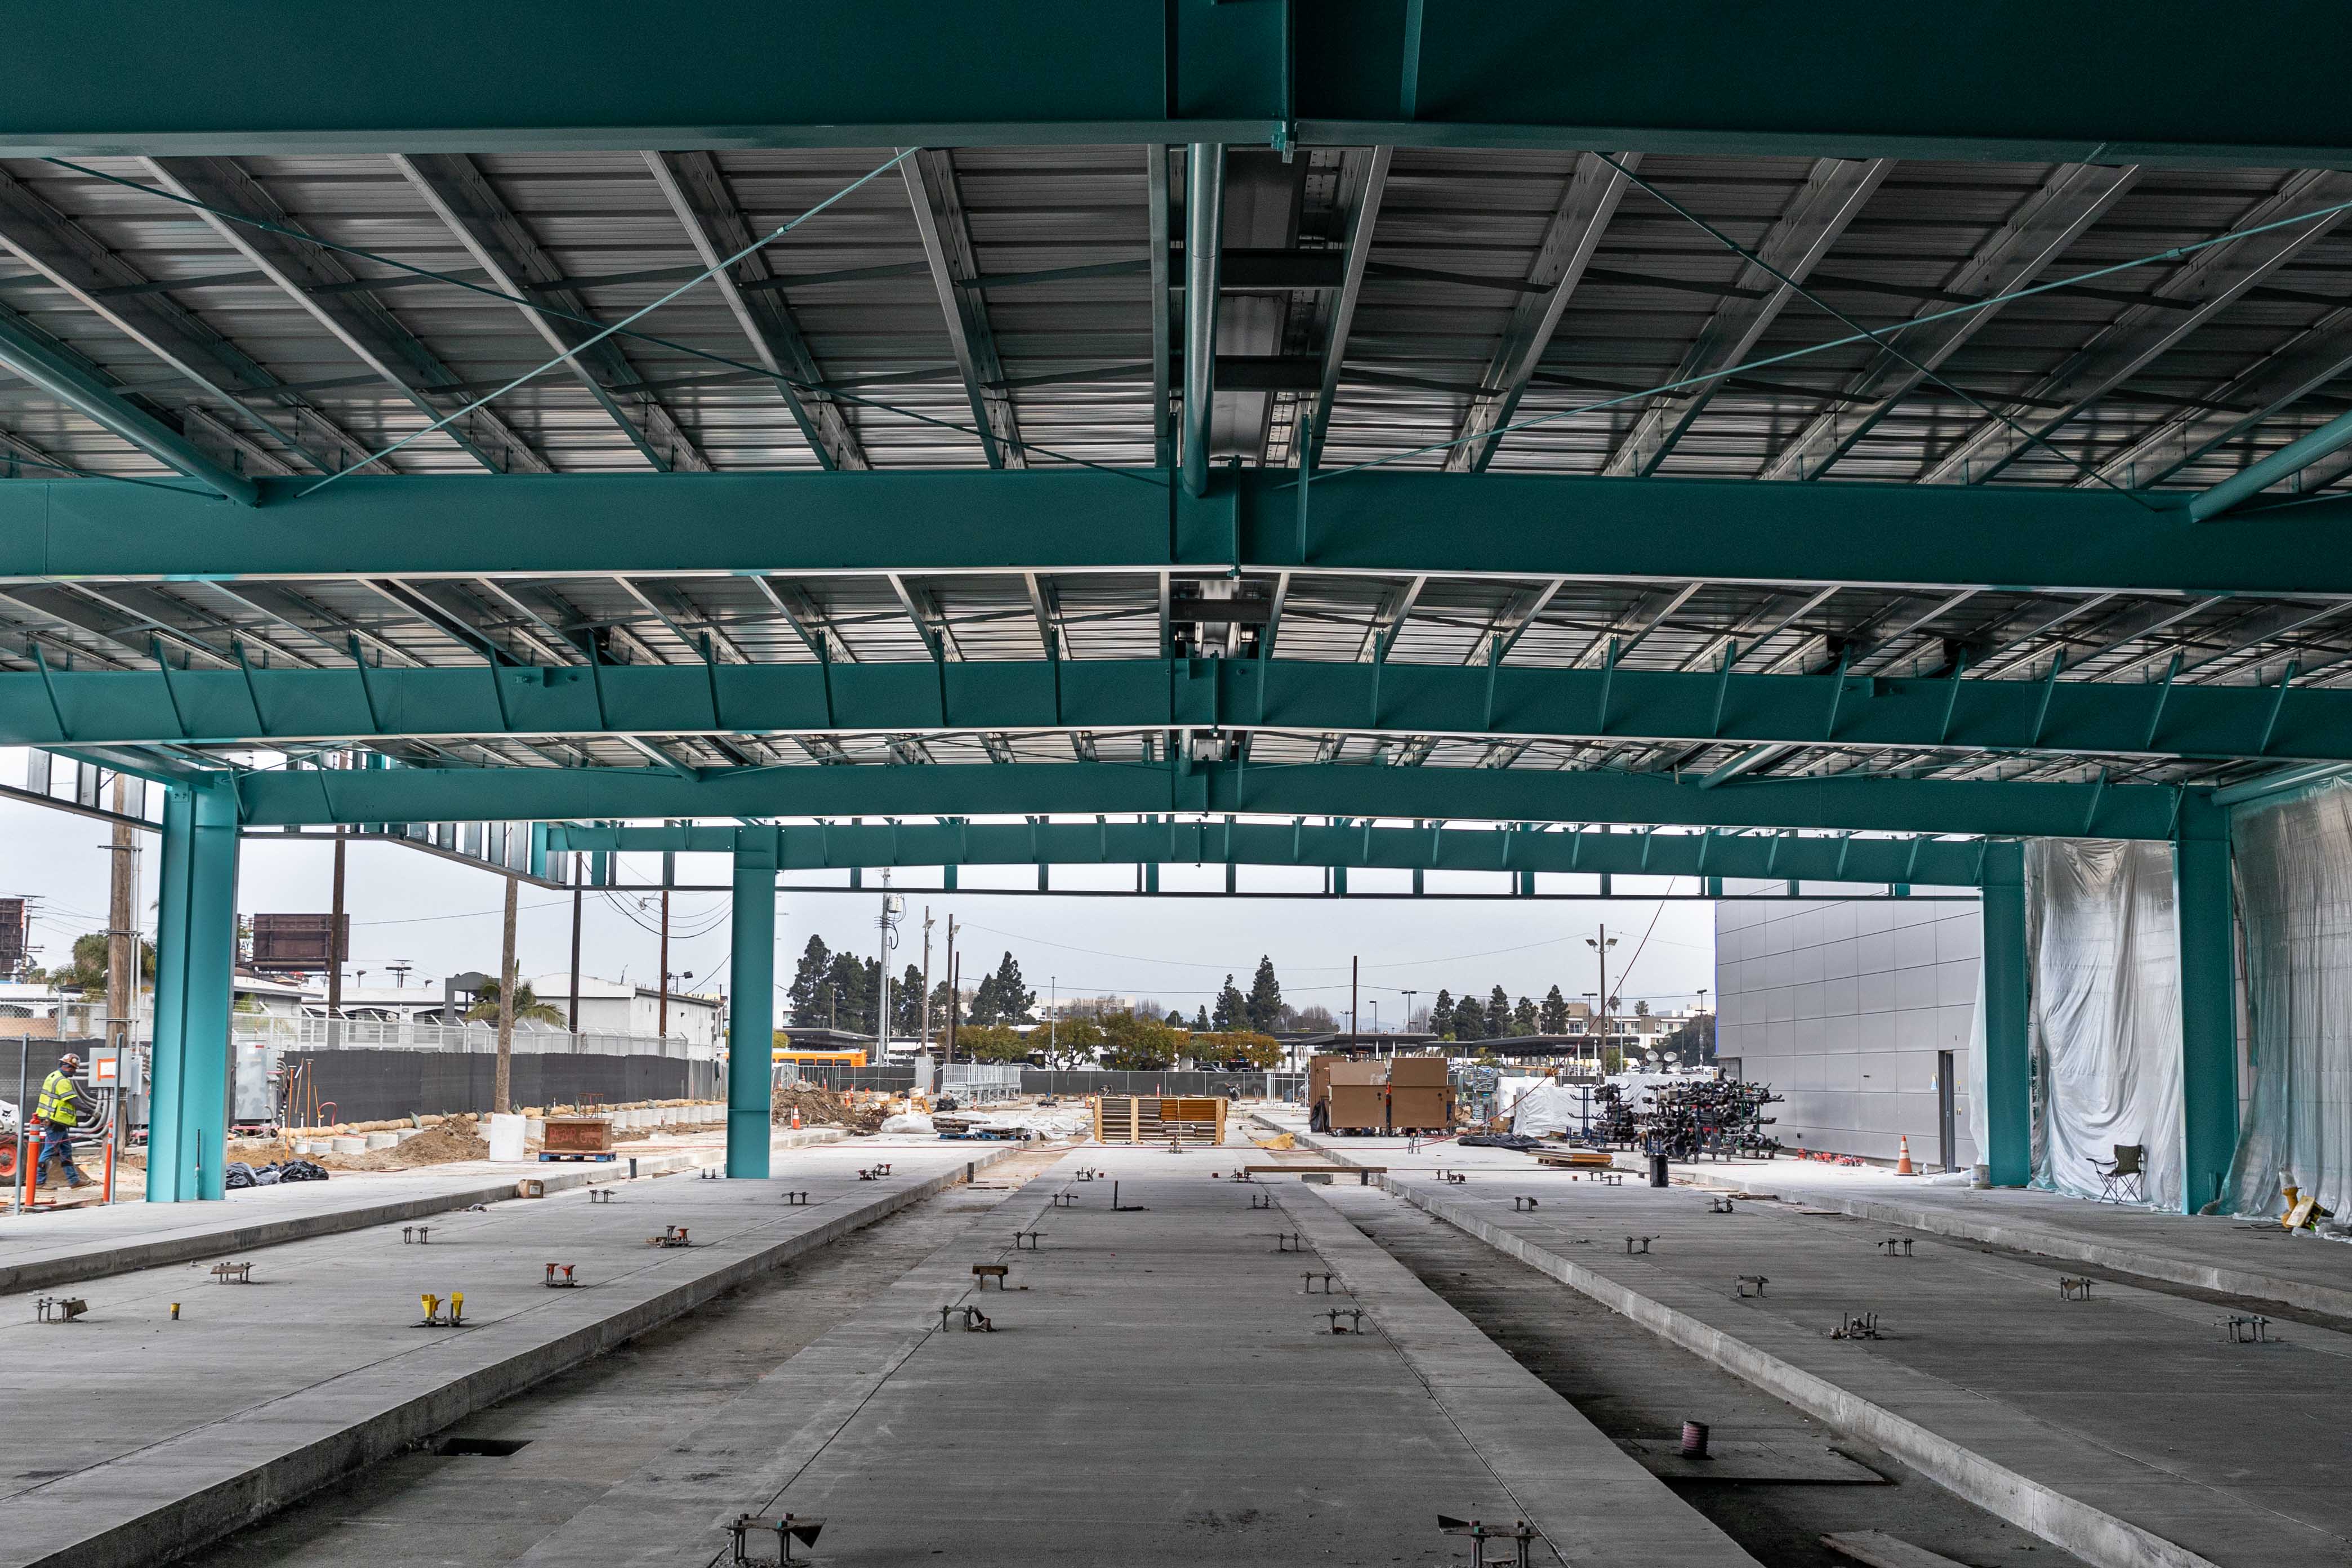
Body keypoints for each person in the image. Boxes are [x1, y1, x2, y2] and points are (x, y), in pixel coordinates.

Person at [34, 1052, 91, 1189]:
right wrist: (92, 1112)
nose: (75, 1072)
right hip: (55, 1121)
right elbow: (73, 1100)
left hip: (54, 1120)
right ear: (68, 1067)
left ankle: (74, 1181)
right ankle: (39, 1182)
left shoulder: (53, 1076)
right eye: (74, 1069)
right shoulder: (62, 1081)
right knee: (49, 1150)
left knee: (66, 1151)